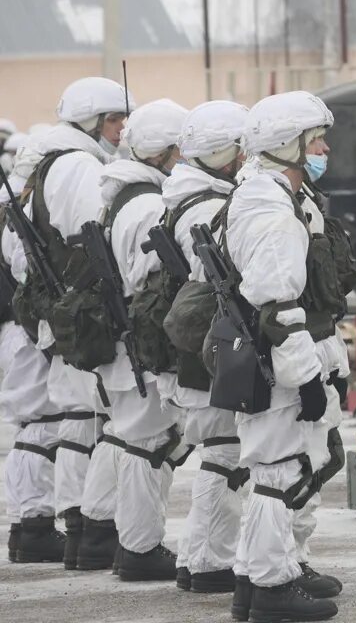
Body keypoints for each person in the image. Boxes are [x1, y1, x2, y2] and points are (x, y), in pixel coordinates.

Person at [222, 91, 350, 622]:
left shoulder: (278, 197)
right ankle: (272, 589)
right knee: (281, 471)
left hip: (282, 359)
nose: (322, 149)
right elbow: (280, 307)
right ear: (286, 145)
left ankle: (257, 579)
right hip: (280, 365)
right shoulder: (271, 211)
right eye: (314, 139)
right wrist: (308, 380)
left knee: (281, 468)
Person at [10, 78, 130, 570]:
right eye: (115, 120)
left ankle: (76, 527)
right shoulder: (76, 165)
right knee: (83, 418)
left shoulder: (50, 165)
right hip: (81, 314)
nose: (123, 130)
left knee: (76, 416)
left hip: (67, 312)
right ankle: (82, 526)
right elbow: (96, 235)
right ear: (92, 122)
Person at [95, 98, 192, 581]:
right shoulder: (149, 203)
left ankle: (129, 543)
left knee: (143, 438)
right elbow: (153, 280)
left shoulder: (121, 195)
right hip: (140, 341)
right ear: (167, 152)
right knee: (150, 442)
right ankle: (139, 548)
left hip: (123, 338)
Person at [159, 100, 250, 594]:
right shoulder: (212, 206)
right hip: (210, 352)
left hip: (195, 351)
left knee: (220, 454)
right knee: (225, 456)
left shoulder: (182, 197)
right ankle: (212, 562)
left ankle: (197, 559)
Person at [1, 158, 64, 563]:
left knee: (38, 424)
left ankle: (30, 526)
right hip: (17, 332)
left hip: (16, 330)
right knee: (40, 423)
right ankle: (34, 523)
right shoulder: (13, 219)